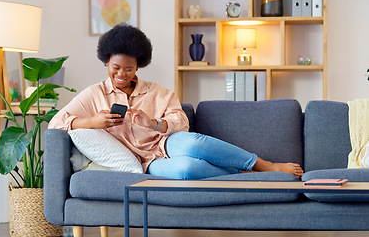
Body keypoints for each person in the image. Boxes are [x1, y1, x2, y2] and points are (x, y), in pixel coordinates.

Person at [48, 24, 304, 179]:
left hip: (168, 142)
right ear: (106, 63)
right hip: (147, 162)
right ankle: (245, 175)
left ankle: (265, 165)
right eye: (115, 68)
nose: (121, 75)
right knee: (186, 171)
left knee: (193, 143)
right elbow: (56, 124)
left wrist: (154, 123)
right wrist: (92, 121)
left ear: (139, 65)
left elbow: (181, 122)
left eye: (129, 69)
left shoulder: (158, 92)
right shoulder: (94, 94)